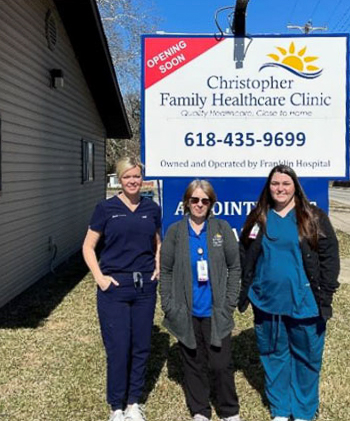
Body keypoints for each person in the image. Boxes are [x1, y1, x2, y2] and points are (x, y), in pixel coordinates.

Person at [239, 165, 340, 421]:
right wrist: (249, 288)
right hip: (267, 303)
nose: (280, 188)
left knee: (306, 359)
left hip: (305, 304)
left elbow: (329, 258)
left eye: (285, 183)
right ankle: (281, 411)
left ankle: (304, 412)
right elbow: (245, 252)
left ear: (295, 186)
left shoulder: (312, 217)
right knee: (274, 357)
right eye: (275, 184)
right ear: (268, 187)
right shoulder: (258, 217)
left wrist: (326, 294)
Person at [82, 157, 161, 421]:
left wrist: (157, 267)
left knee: (140, 345)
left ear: (142, 178)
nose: (133, 181)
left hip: (144, 288)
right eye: (127, 177)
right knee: (118, 347)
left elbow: (157, 242)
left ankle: (133, 403)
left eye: (137, 176)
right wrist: (100, 277)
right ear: (119, 179)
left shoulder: (152, 208)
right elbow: (88, 247)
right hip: (114, 287)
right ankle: (116, 406)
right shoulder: (105, 208)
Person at [160, 179, 244, 421]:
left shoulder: (221, 228)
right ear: (187, 202)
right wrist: (168, 304)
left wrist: (229, 302)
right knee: (193, 363)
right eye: (194, 200)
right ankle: (200, 411)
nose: (199, 204)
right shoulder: (176, 231)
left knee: (221, 363)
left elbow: (234, 267)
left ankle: (229, 411)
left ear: (211, 203)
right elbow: (165, 270)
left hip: (215, 310)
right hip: (186, 310)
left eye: (204, 200)